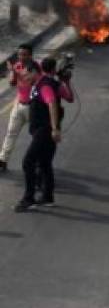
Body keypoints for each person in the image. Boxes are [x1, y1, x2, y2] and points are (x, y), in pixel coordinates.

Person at [13, 59, 74, 212]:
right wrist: (66, 82)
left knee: (28, 162)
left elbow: (52, 103)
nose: (25, 78)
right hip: (43, 130)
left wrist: (54, 129)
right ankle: (47, 197)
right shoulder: (51, 83)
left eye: (26, 75)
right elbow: (69, 98)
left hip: (44, 130)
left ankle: (29, 198)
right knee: (45, 163)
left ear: (34, 71)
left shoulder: (44, 85)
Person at [0, 44, 40, 172]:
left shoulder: (35, 67)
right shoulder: (17, 66)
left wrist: (16, 71)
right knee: (10, 133)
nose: (21, 57)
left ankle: (38, 163)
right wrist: (12, 71)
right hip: (19, 105)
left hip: (33, 107)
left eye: (24, 54)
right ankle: (3, 160)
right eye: (19, 55)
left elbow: (31, 80)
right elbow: (12, 83)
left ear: (30, 55)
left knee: (37, 136)